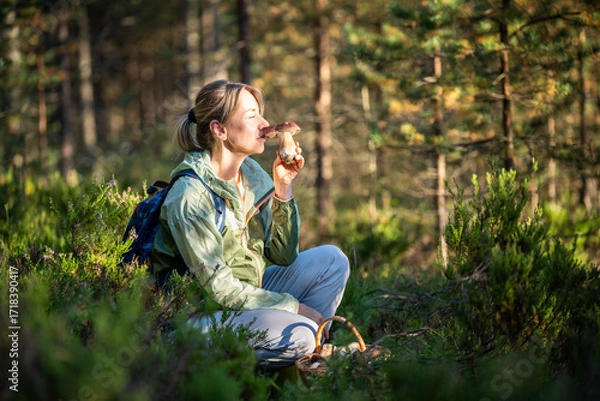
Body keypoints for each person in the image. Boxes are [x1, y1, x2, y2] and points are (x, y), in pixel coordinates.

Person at [150, 80, 350, 369]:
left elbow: (283, 256)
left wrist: (283, 189)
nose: (265, 123)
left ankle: (305, 365)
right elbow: (219, 290)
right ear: (219, 130)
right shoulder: (190, 196)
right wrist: (293, 307)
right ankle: (275, 367)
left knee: (332, 260)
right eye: (251, 115)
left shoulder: (252, 175)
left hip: (245, 294)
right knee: (302, 334)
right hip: (196, 316)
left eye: (261, 113)